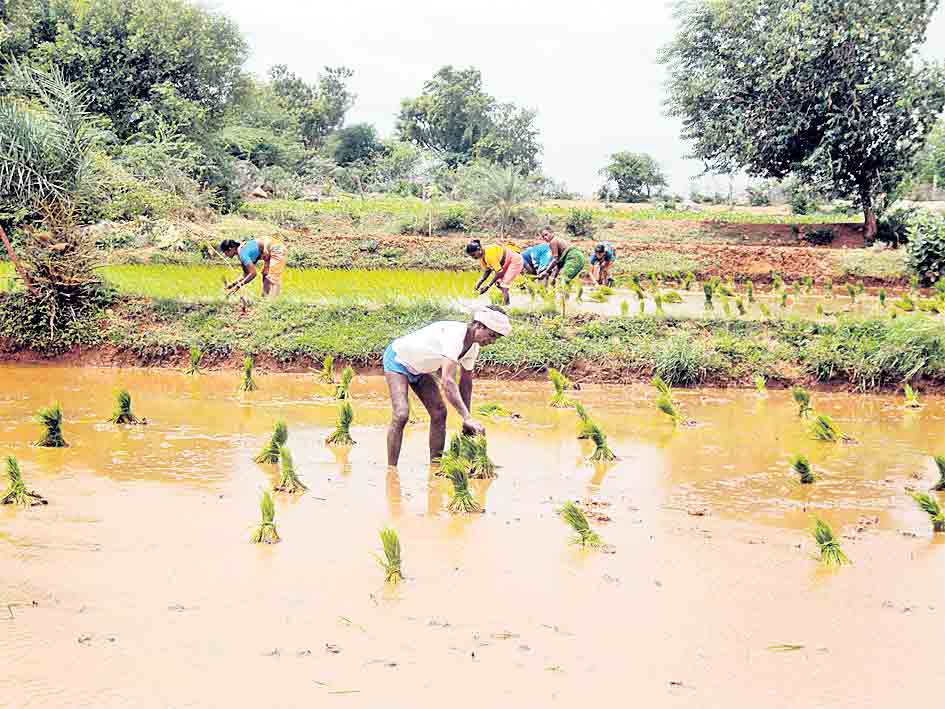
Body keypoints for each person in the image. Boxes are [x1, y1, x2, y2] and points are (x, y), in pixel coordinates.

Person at [383, 306, 512, 467]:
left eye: (496, 339)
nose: (492, 341)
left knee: (439, 413)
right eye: (491, 335)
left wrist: (468, 419)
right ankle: (391, 470)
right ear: (479, 325)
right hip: (399, 360)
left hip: (422, 369)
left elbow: (466, 383)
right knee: (401, 414)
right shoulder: (455, 335)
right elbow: (447, 381)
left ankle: (436, 466)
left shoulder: (473, 347)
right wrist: (466, 417)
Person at [220, 236, 286, 297]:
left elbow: (253, 273)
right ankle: (264, 300)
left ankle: (274, 301)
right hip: (268, 249)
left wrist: (237, 287)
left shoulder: (242, 253)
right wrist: (232, 285)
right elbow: (246, 274)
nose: (225, 255)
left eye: (225, 252)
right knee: (265, 274)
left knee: (272, 277)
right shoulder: (242, 251)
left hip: (276, 248)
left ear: (230, 249)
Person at [465, 240, 524, 305]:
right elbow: (487, 271)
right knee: (498, 283)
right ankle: (506, 299)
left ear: (479, 250)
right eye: (471, 256)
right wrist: (478, 284)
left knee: (504, 284)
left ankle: (506, 306)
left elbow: (499, 272)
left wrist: (487, 286)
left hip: (515, 261)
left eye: (473, 254)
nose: (473, 257)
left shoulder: (489, 255)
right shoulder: (482, 257)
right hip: (505, 263)